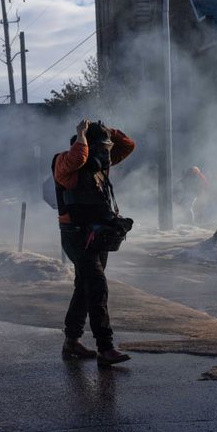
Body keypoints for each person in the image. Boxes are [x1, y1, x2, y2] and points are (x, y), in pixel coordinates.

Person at [52, 119, 135, 366]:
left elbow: (128, 146)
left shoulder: (99, 165)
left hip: (98, 234)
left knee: (84, 287)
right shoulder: (65, 163)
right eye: (101, 148)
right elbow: (78, 157)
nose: (106, 154)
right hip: (76, 234)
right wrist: (82, 134)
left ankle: (71, 341)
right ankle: (105, 348)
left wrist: (109, 130)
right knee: (97, 285)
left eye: (107, 149)